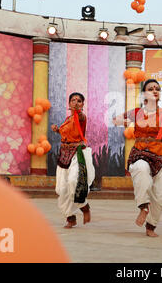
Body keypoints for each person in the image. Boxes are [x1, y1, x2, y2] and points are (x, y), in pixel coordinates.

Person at [112, 79, 162, 237]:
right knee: (140, 169)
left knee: (161, 191)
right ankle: (143, 206)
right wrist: (123, 121)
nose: (155, 91)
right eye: (150, 88)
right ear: (144, 94)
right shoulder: (136, 112)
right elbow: (115, 120)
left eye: (157, 89)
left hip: (159, 153)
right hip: (140, 151)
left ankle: (151, 225)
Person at [51, 92, 95, 228]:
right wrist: (57, 130)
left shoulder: (81, 117)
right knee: (61, 189)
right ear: (69, 103)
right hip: (64, 154)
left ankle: (84, 206)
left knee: (73, 182)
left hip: (77, 154)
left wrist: (78, 112)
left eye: (79, 101)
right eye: (73, 100)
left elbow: (79, 117)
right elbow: (67, 133)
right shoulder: (67, 119)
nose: (76, 102)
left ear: (82, 105)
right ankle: (70, 218)